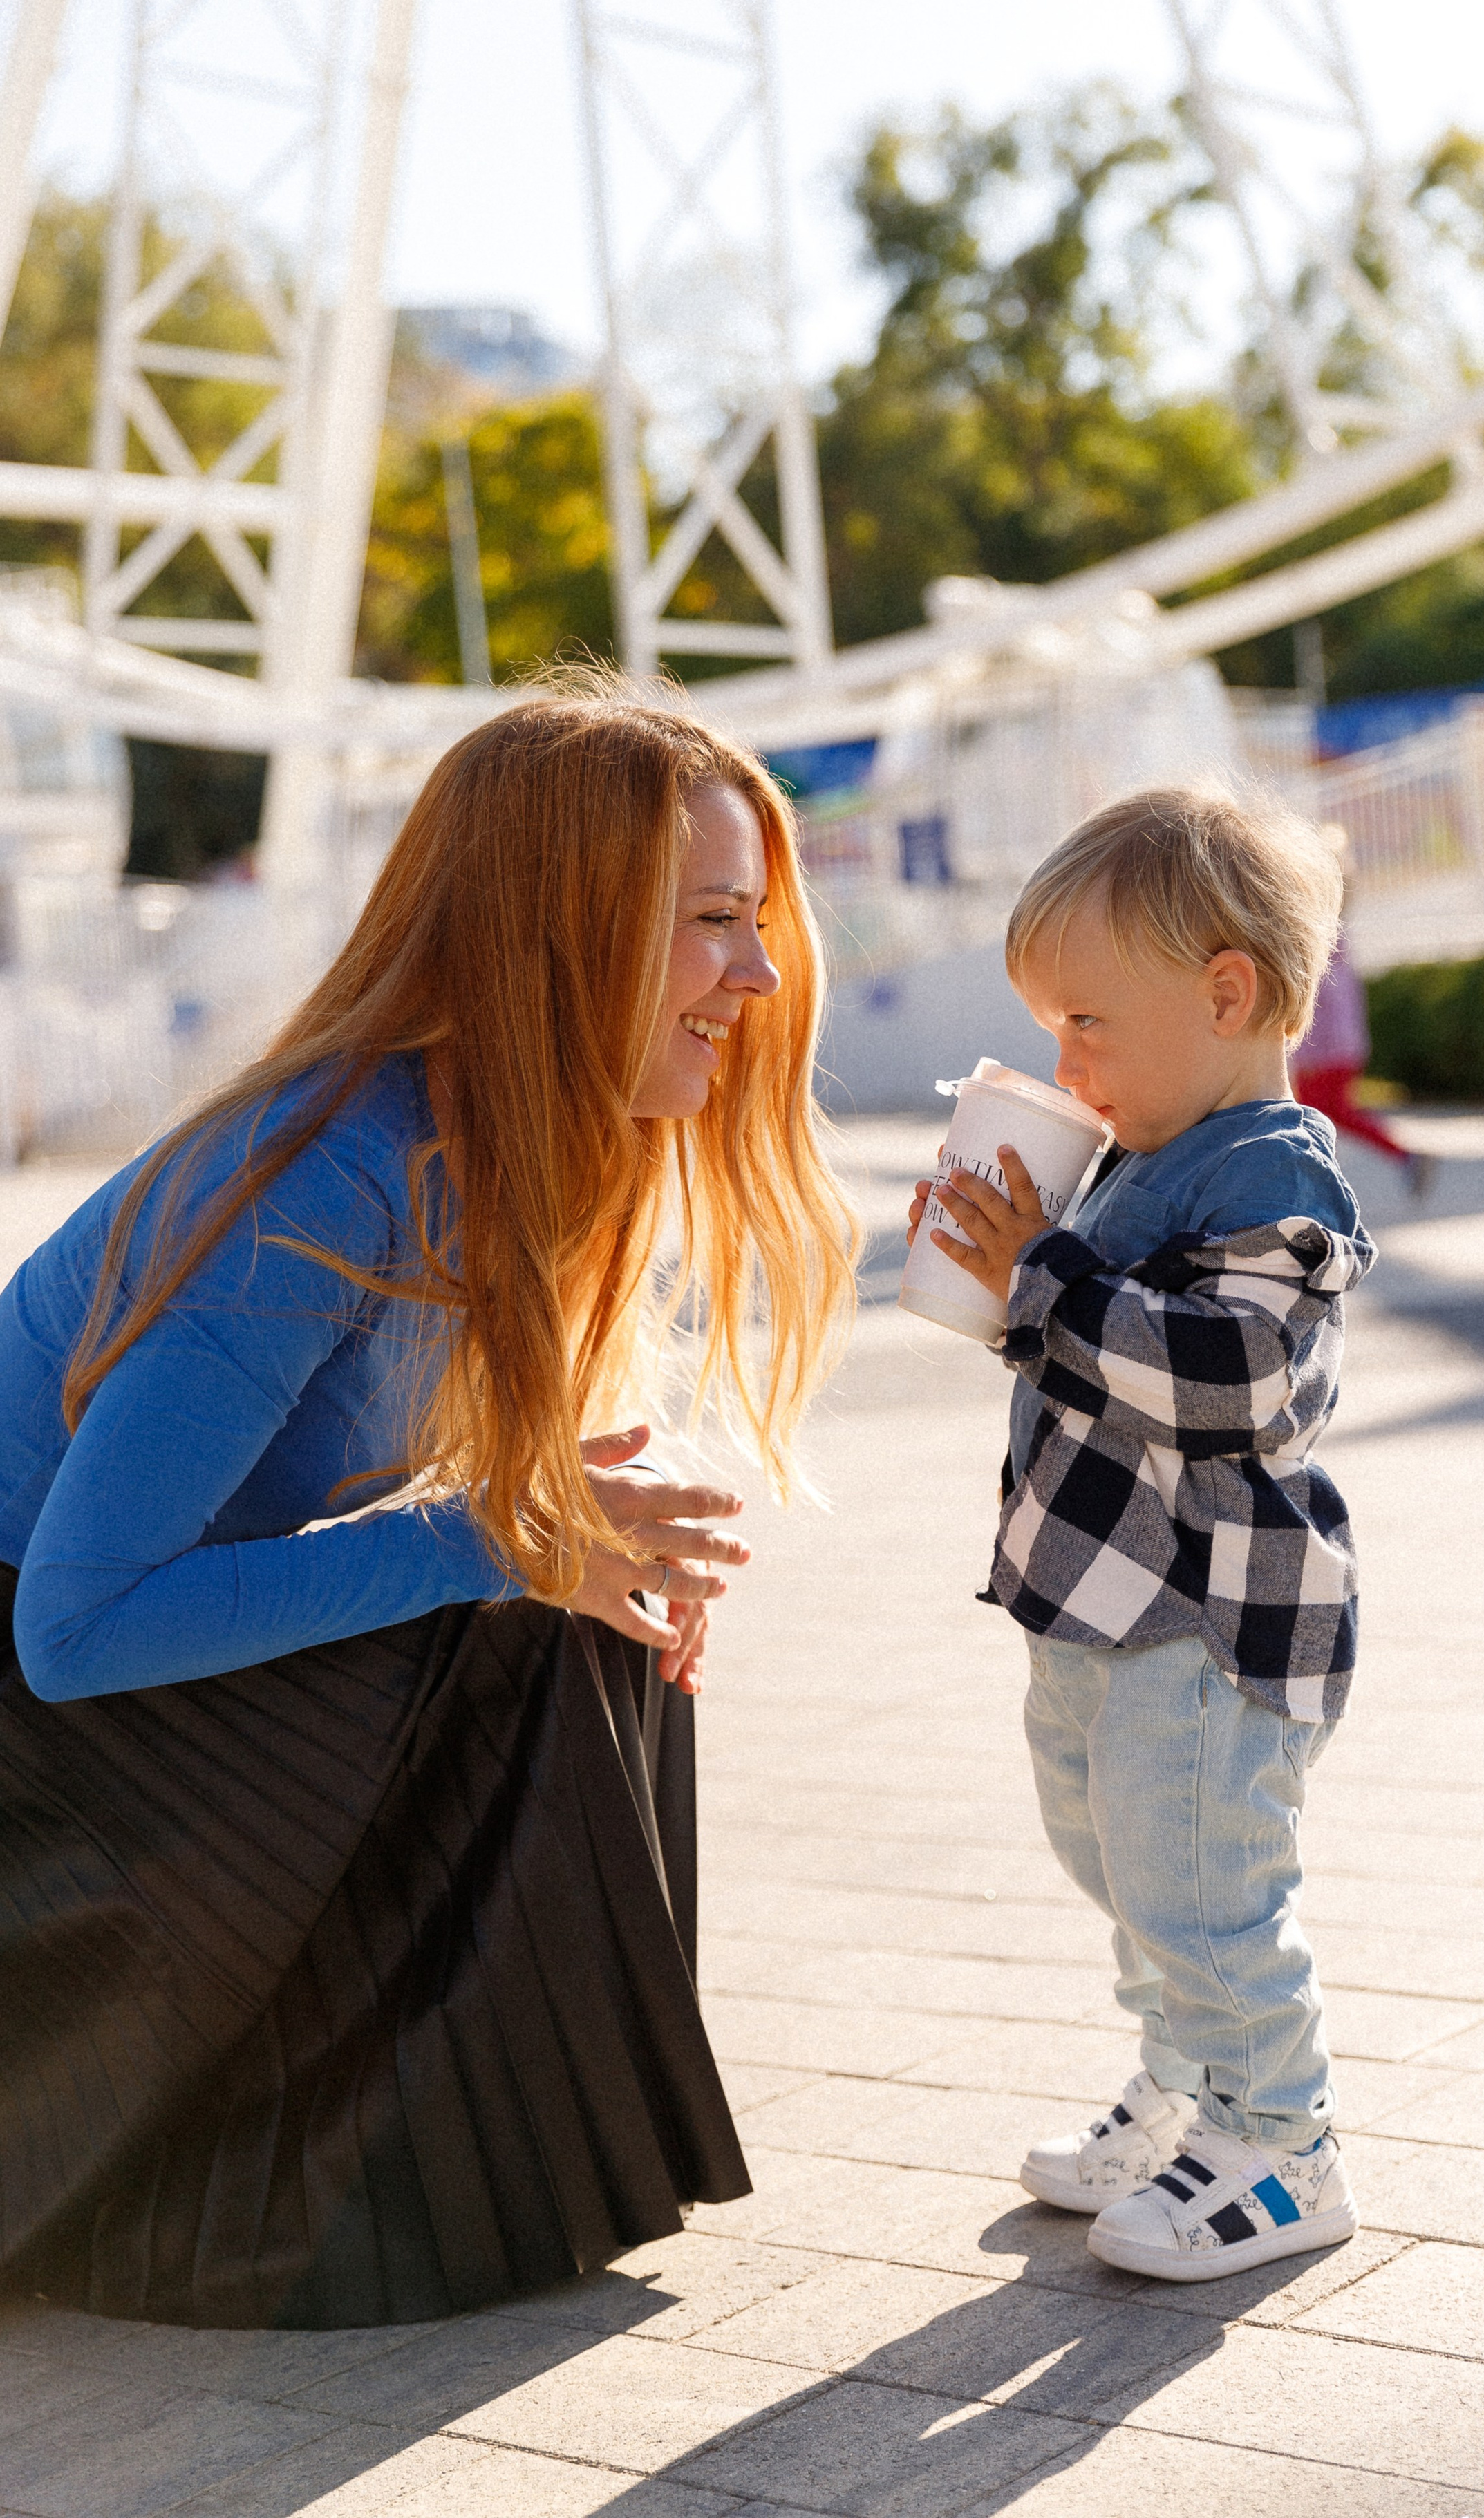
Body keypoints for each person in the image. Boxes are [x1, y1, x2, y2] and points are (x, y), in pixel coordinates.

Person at [0, 679, 856, 2330]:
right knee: (512, 1599)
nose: (753, 976)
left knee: (573, 1598)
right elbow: (75, 1628)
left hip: (79, 1710)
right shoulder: (321, 1173)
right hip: (28, 1732)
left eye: (753, 924)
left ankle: (489, 2172)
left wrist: (596, 1533)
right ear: (562, 935)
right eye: (710, 922)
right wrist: (505, 1542)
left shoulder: (521, 1147)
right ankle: (297, 2202)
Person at [909, 785, 1373, 2284]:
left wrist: (1044, 1276)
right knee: (1119, 1859)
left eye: (1086, 1024)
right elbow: (1089, 1352)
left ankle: (1282, 2143)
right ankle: (1188, 2083)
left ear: (1224, 995)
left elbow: (1233, 1381)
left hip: (1207, 1621)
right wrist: (1000, 1275)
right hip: (1099, 1606)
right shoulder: (1134, 1157)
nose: (1066, 1065)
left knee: (1204, 1888)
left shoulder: (1271, 1177)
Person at [1290, 916, 1434, 1200]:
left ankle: (1314, 1186)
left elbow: (1318, 1012)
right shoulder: (1339, 954)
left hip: (1325, 1054)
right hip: (1345, 1050)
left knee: (1313, 1119)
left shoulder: (1318, 955)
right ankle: (1402, 1157)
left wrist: (1305, 1054)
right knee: (1332, 1115)